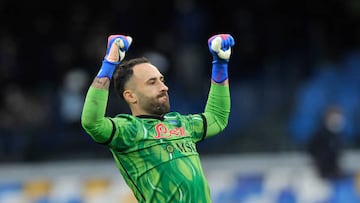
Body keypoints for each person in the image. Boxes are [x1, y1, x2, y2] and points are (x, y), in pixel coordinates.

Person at [81, 33, 235, 203]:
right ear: (131, 96)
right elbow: (92, 122)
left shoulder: (180, 123)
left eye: (162, 80)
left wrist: (220, 63)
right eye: (152, 82)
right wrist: (110, 62)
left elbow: (217, 118)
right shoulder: (128, 130)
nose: (164, 87)